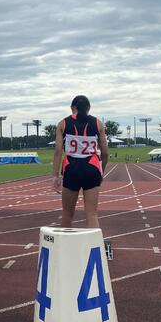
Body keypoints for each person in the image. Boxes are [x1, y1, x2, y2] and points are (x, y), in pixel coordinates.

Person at [51, 95, 109, 228]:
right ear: (88, 108)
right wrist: (101, 172)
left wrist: (55, 176)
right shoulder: (98, 123)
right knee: (92, 214)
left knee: (67, 214)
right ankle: (94, 242)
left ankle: (65, 241)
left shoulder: (63, 123)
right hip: (92, 168)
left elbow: (58, 151)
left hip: (71, 168)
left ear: (73, 108)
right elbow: (105, 153)